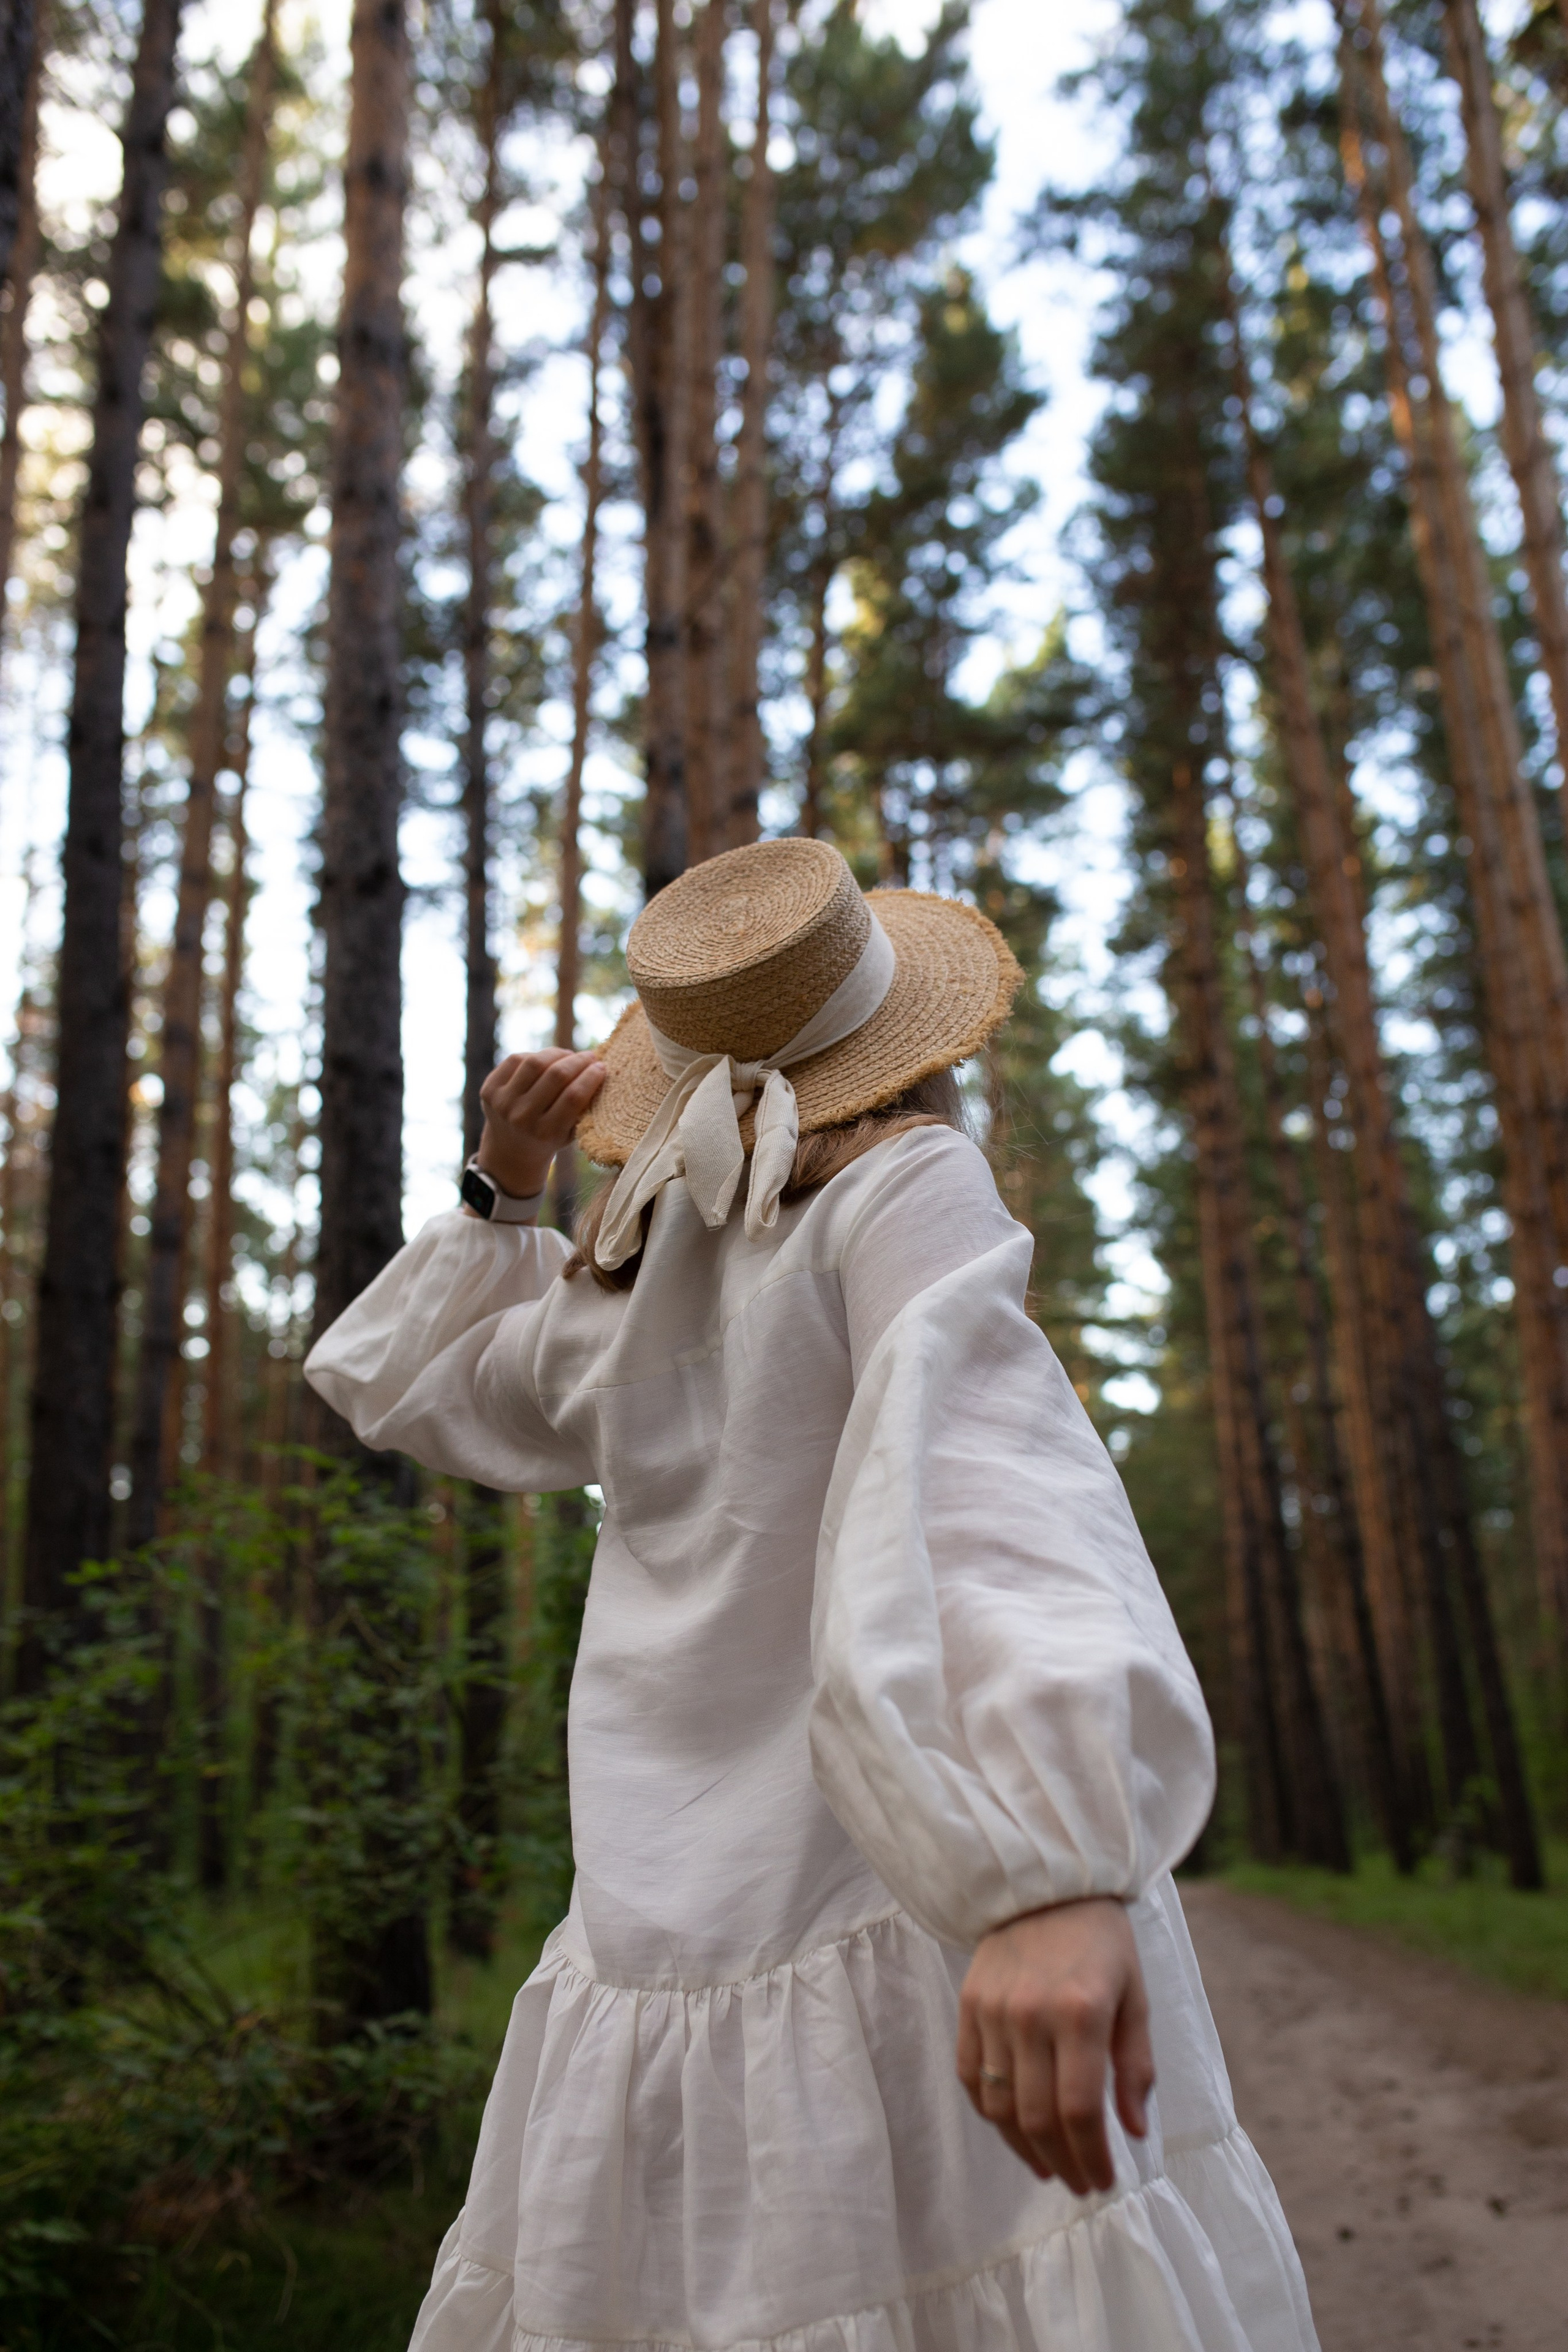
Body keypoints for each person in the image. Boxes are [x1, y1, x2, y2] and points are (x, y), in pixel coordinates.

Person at [306, 838, 1319, 2352]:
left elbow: (405, 1380)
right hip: (894, 1884)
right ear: (893, 1038)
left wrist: (504, 1188)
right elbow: (975, 1476)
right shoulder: (882, 1186)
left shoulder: (628, 1264)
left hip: (695, 1911)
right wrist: (1042, 1866)